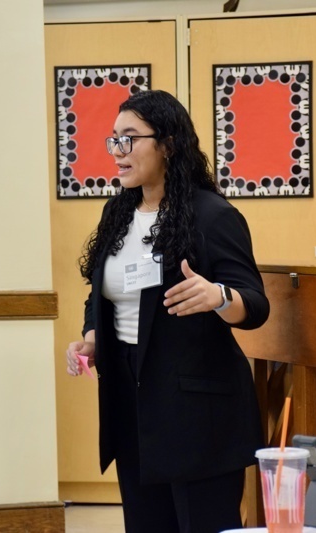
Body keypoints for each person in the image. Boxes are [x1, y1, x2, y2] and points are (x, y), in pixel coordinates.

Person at [64, 89, 269, 533]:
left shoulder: (212, 215)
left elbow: (254, 305)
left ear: (169, 144)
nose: (118, 151)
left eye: (130, 139)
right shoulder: (118, 211)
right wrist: (94, 334)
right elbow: (100, 292)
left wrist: (217, 296)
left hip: (196, 410)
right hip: (131, 399)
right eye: (114, 139)